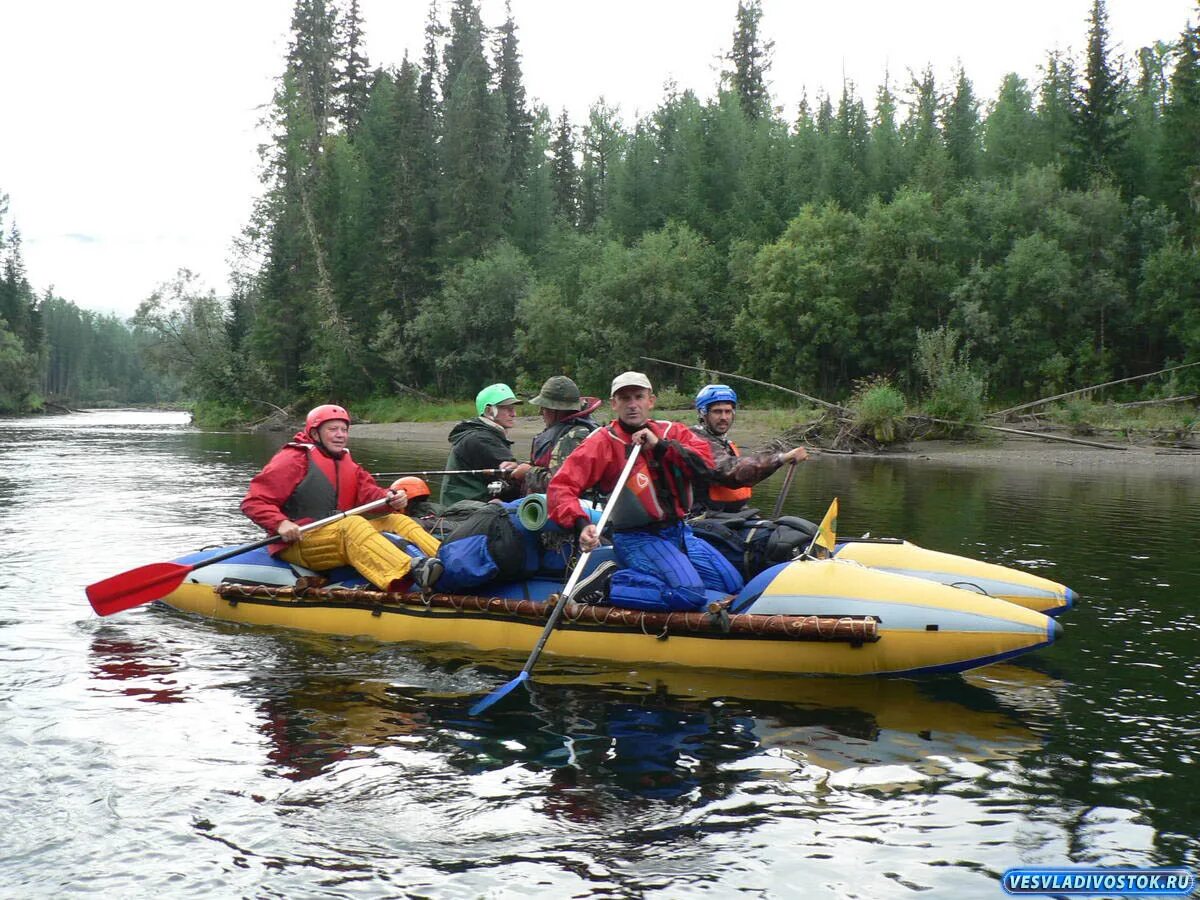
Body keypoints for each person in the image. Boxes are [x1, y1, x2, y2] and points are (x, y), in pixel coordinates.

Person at [547, 371, 745, 611]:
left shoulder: (672, 432)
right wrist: (580, 523)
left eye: (638, 397)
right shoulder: (600, 442)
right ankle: (607, 584)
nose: (632, 405)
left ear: (650, 401)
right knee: (688, 593)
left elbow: (706, 465)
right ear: (614, 404)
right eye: (625, 398)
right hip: (635, 536)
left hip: (679, 531)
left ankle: (663, 575)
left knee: (733, 584)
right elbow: (561, 487)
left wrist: (660, 446)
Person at [241, 404, 443, 592]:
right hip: (297, 542)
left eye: (344, 430)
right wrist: (280, 523)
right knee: (352, 524)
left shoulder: (347, 461)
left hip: (334, 535)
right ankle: (411, 573)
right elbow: (254, 502)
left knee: (397, 520)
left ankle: (447, 561)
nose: (340, 435)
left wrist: (390, 497)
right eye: (333, 429)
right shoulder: (293, 458)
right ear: (314, 433)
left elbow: (370, 495)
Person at [690, 384, 809, 513]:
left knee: (795, 528)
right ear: (703, 413)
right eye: (717, 411)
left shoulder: (724, 443)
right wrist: (781, 458)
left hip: (732, 516)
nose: (724, 417)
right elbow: (732, 471)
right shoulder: (695, 442)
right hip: (705, 518)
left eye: (728, 411)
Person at [441, 383, 531, 505]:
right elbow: (516, 478)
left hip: (463, 505)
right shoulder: (481, 439)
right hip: (466, 511)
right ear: (489, 411)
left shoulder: (479, 434)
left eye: (513, 408)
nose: (514, 414)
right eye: (507, 409)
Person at [524, 375, 602, 495]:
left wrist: (528, 472)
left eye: (544, 408)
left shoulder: (574, 437)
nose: (540, 412)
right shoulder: (583, 430)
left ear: (556, 410)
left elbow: (559, 485)